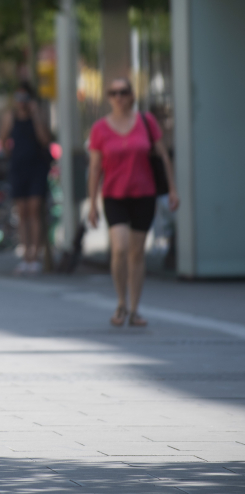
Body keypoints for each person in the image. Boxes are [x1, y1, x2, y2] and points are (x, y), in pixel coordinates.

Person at [88, 78, 178, 328]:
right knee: (120, 248)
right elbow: (95, 167)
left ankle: (135, 309)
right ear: (108, 97)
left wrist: (172, 189)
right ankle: (120, 302)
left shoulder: (146, 122)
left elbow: (163, 156)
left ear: (131, 95)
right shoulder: (99, 129)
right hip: (114, 195)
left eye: (123, 92)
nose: (118, 97)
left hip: (144, 194)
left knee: (137, 253)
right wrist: (92, 203)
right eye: (113, 92)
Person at [0, 82, 51, 274]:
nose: (21, 103)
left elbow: (45, 139)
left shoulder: (38, 116)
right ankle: (25, 254)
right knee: (22, 212)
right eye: (18, 98)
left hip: (37, 167)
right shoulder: (9, 117)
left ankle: (35, 255)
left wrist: (36, 114)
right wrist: (9, 154)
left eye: (25, 98)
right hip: (18, 167)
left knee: (34, 209)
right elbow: (3, 140)